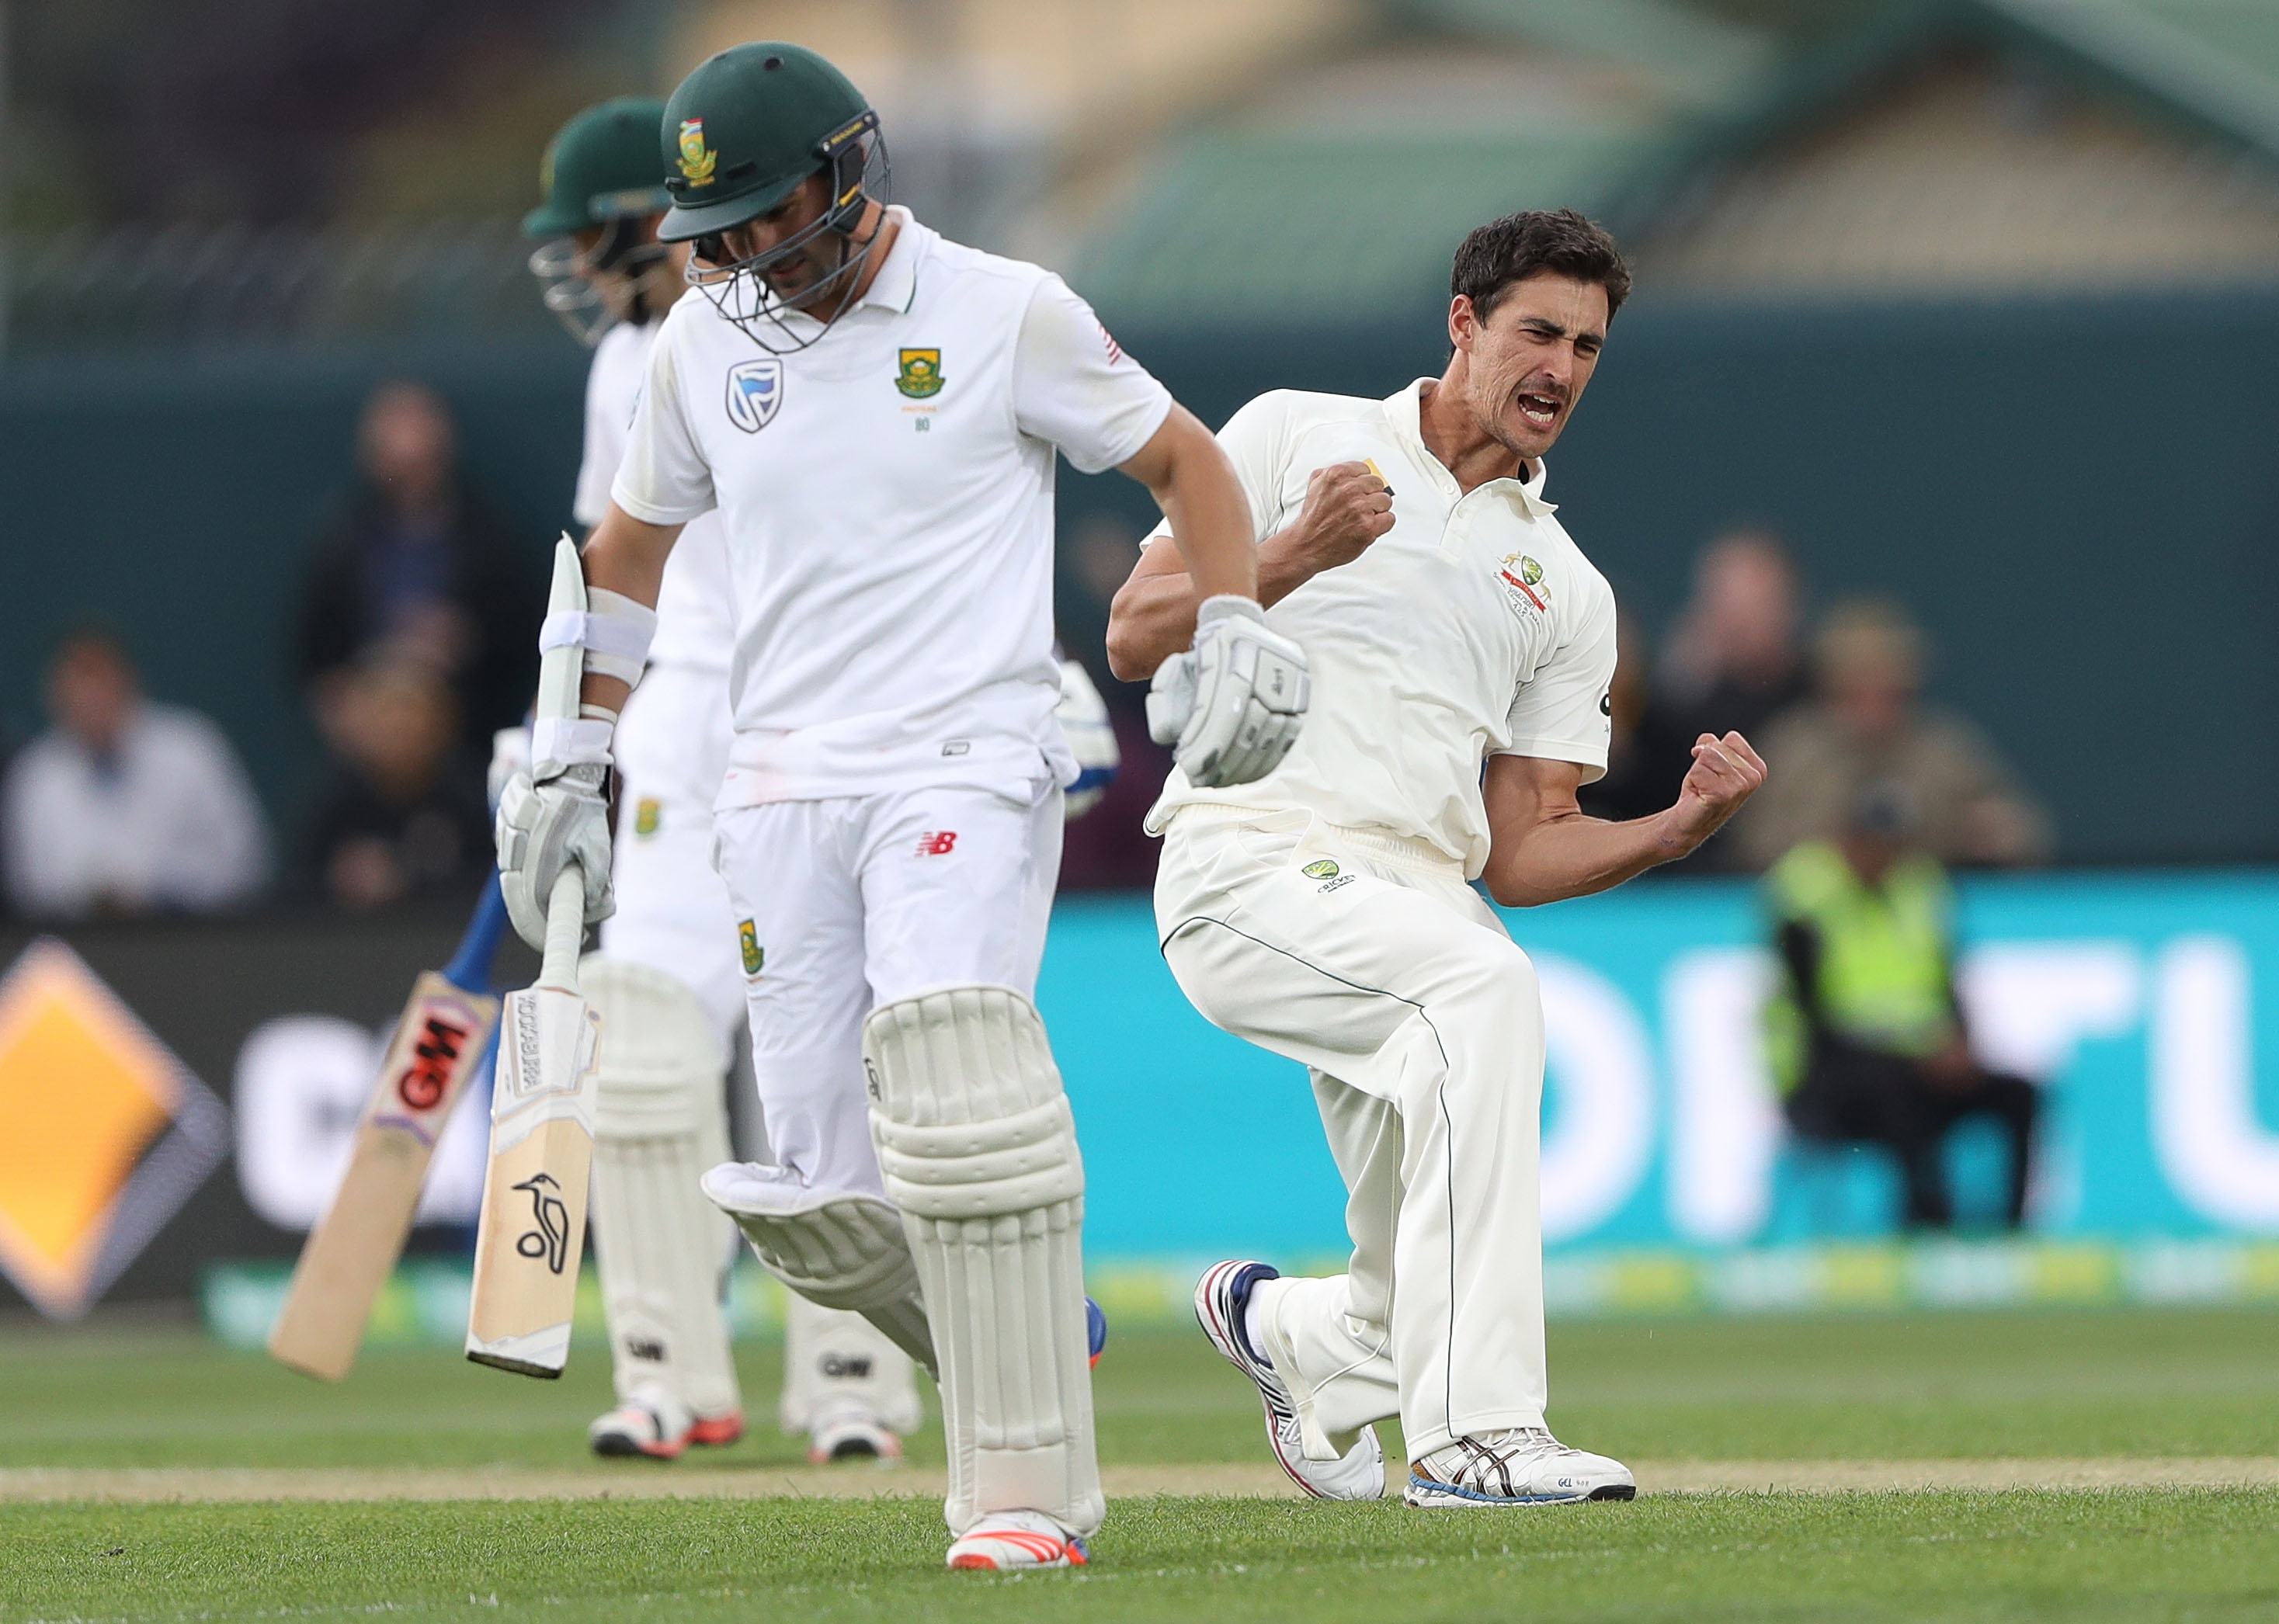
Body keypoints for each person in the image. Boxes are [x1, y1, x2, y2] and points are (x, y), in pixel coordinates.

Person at [491, 43, 1296, 1570]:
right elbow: (625, 565)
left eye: (761, 222)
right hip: (775, 774)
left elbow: (1185, 463)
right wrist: (573, 753)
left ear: (848, 178)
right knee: (820, 1193)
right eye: (710, 234)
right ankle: (1019, 1332)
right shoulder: (696, 346)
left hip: (967, 754)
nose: (738, 263)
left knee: (951, 1070)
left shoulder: (1006, 310)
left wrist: (1235, 618)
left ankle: (1023, 1496)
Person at [1106, 209, 1767, 1509]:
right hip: (1247, 859)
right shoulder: (1297, 428)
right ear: (1463, 324)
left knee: (1415, 1224)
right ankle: (1474, 1435)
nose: (1563, 368)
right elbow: (1135, 632)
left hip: (1415, 896)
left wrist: (1676, 829)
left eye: (1587, 346)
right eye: (1539, 331)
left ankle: (1300, 1335)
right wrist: (1293, 552)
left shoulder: (1565, 584)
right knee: (1485, 991)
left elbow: (1523, 848)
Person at [519, 94, 930, 1468]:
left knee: (827, 1061)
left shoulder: (861, 335)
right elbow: (607, 567)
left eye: (591, 238)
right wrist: (560, 748)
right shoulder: (629, 365)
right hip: (678, 725)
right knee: (639, 1046)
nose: (580, 270)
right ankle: (666, 1371)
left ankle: (858, 1378)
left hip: (826, 712)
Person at [1762, 783, 2039, 1229]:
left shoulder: (1921, 885)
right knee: (1901, 1089)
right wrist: (1920, 1051)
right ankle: (1928, 1221)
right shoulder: (1803, 893)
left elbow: (1946, 982)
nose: (1880, 857)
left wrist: (1960, 1045)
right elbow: (1814, 1017)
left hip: (1917, 1057)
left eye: (1890, 845)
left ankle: (2011, 1231)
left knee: (2018, 1093)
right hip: (1822, 1071)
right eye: (1870, 844)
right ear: (1845, 841)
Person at [295, 381, 539, 755]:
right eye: (399, 465)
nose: (411, 474)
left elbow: (521, 637)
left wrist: (465, 638)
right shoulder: (341, 544)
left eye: (421, 461)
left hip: (469, 742)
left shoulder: (489, 538)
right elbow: (314, 656)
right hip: (366, 749)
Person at [1734, 599, 2048, 871]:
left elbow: (2024, 833)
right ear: (1832, 688)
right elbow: (1751, 846)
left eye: (1889, 691)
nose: (1874, 707)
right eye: (1857, 691)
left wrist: (1993, 833)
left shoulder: (1944, 750)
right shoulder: (1794, 752)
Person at [4, 627, 269, 918]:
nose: (90, 695)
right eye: (78, 682)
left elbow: (246, 861)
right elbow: (28, 886)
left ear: (128, 679)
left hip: (188, 942)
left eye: (100, 678)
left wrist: (158, 891)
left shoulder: (191, 750)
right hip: (75, 951)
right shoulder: (36, 775)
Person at [302, 651, 488, 910]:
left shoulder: (475, 796)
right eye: (387, 714)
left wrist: (411, 881)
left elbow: (498, 884)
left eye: (415, 713)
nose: (403, 727)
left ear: (445, 721)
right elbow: (292, 888)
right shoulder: (332, 800)